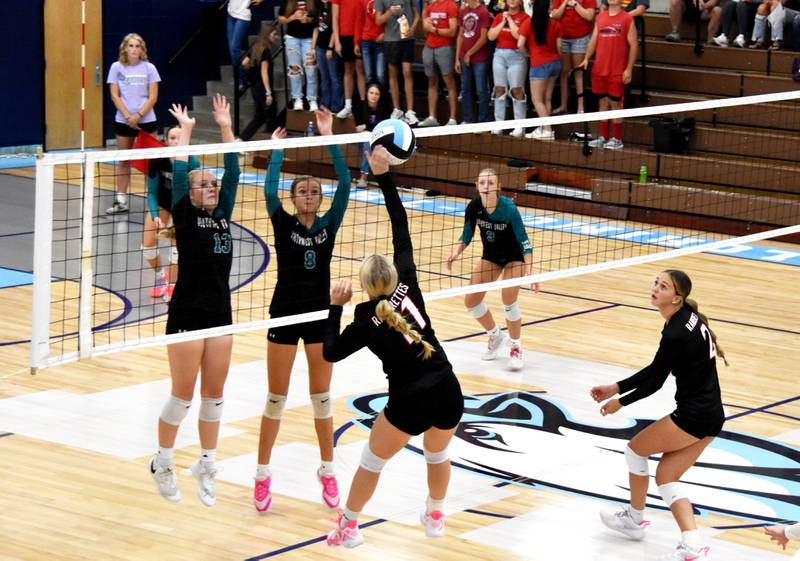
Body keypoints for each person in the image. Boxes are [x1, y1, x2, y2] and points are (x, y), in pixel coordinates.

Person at [323, 145, 464, 548]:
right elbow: (399, 223)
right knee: (437, 456)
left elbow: (330, 352)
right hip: (448, 389)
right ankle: (435, 515)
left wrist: (335, 307)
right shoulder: (409, 284)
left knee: (372, 462)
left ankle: (348, 528)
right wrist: (384, 173)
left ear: (366, 286)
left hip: (409, 401)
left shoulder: (364, 320)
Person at [591, 269, 728, 561]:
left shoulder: (676, 332)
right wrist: (616, 386)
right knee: (666, 478)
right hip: (712, 416)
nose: (655, 289)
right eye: (656, 283)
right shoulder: (688, 318)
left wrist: (620, 401)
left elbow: (655, 381)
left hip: (693, 415)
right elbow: (657, 369)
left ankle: (635, 518)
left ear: (677, 298)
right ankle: (692, 545)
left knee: (634, 451)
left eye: (663, 287)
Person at [254, 108, 351, 514]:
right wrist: (276, 154)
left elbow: (345, 182)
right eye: (302, 192)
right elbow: (268, 190)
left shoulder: (329, 224)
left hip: (319, 314)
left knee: (321, 398)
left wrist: (329, 136)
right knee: (276, 398)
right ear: (294, 200)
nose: (309, 196)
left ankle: (328, 470)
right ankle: (261, 475)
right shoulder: (282, 222)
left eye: (314, 191)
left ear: (320, 199)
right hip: (284, 312)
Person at [147, 95, 241, 507]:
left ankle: (207, 461)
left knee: (215, 395)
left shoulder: (223, 213)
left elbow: (234, 169)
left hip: (221, 312)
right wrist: (185, 132)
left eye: (213, 184)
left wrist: (224, 127)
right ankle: (163, 461)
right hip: (186, 312)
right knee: (182, 395)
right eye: (205, 184)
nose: (212, 187)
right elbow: (183, 170)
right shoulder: (185, 215)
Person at [446, 168, 537, 371]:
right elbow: (466, 235)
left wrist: (530, 269)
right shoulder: (474, 207)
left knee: (508, 300)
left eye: (490, 183)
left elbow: (525, 241)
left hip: (515, 257)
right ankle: (496, 336)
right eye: (482, 183)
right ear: (476, 186)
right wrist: (456, 253)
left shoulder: (509, 208)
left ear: (498, 187)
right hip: (492, 256)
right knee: (471, 301)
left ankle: (515, 346)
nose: (486, 187)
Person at [144, 126, 202, 301]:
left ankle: (173, 285)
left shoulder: (192, 163)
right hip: (162, 203)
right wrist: (155, 216)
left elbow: (195, 193)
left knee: (177, 249)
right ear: (166, 141)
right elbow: (152, 193)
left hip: (182, 206)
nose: (176, 141)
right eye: (172, 138)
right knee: (147, 246)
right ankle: (161, 278)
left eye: (180, 138)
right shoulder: (157, 160)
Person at [106, 33, 161, 215]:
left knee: (149, 162)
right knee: (124, 161)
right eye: (131, 46)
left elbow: (153, 96)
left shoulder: (149, 68)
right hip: (123, 120)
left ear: (142, 49)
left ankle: (153, 202)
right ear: (125, 48)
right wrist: (128, 116)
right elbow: (115, 95)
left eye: (137, 46)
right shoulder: (116, 67)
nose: (134, 49)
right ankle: (121, 201)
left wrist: (138, 115)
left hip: (146, 120)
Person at [579, 0, 637, 150]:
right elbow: (593, 41)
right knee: (602, 103)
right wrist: (586, 58)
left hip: (617, 71)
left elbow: (634, 45)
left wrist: (629, 68)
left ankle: (617, 139)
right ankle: (603, 137)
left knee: (616, 104)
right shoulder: (600, 17)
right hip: (599, 70)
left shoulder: (627, 19)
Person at [518, 0, 563, 140]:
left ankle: (548, 130)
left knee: (537, 101)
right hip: (555, 63)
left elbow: (520, 44)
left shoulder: (528, 23)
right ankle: (543, 128)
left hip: (539, 64)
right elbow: (560, 48)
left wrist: (528, 54)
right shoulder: (555, 24)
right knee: (547, 99)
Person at [488, 0, 530, 137]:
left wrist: (510, 20)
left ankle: (519, 126)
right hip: (499, 54)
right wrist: (502, 21)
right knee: (499, 89)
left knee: (517, 89)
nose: (512, 1)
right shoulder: (500, 17)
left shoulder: (525, 17)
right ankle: (499, 124)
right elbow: (491, 36)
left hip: (517, 56)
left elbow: (518, 36)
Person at [376, 0, 421, 125]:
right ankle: (397, 110)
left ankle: (410, 111)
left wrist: (413, 28)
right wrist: (390, 12)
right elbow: (378, 20)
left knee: (407, 72)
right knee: (393, 74)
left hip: (407, 39)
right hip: (390, 41)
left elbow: (417, 14)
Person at [549, 0, 595, 116]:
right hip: (563, 36)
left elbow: (589, 16)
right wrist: (564, 4)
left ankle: (581, 107)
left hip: (580, 36)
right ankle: (563, 105)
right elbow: (554, 15)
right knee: (564, 71)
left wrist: (575, 4)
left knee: (578, 72)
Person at [418, 0, 459, 127]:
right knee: (431, 81)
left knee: (449, 81)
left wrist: (434, 30)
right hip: (429, 46)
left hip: (445, 47)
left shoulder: (451, 5)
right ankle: (432, 116)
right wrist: (427, 25)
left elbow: (453, 32)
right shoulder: (431, 6)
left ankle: (452, 118)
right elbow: (424, 27)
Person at [240, 24, 279, 141]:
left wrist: (252, 71)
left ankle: (241, 139)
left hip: (254, 88)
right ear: (267, 35)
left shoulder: (255, 47)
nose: (276, 37)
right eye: (274, 34)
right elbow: (264, 72)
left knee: (259, 117)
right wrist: (268, 93)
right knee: (270, 116)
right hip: (263, 89)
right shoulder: (265, 50)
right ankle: (274, 145)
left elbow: (244, 63)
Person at [455, 0, 492, 124]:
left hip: (479, 58)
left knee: (481, 90)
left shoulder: (483, 12)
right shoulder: (463, 12)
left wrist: (469, 53)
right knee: (465, 89)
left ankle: (483, 121)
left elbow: (483, 38)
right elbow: (460, 35)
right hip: (464, 57)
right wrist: (457, 58)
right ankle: (467, 120)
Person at [280, 0, 320, 111]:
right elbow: (281, 19)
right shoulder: (289, 2)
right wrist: (292, 17)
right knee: (294, 69)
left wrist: (307, 19)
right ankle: (297, 98)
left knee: (311, 69)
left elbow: (318, 20)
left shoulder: (312, 2)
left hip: (308, 39)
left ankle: (312, 99)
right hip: (292, 38)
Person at [333, 0, 367, 117]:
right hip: (345, 35)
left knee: (360, 70)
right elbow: (335, 18)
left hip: (361, 33)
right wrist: (337, 41)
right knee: (348, 70)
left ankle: (364, 105)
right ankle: (348, 106)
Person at [353, 83, 391, 187]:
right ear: (367, 94)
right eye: (371, 93)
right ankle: (363, 177)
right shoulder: (360, 107)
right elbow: (358, 128)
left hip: (378, 137)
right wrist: (368, 127)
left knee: (373, 144)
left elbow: (382, 127)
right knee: (367, 144)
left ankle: (371, 177)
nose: (373, 96)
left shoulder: (384, 108)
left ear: (380, 96)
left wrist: (366, 126)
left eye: (376, 94)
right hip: (363, 137)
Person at [314, 0, 345, 113]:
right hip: (320, 47)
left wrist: (330, 47)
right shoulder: (319, 9)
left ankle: (336, 106)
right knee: (324, 77)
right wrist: (313, 48)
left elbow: (335, 29)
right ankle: (325, 105)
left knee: (334, 77)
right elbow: (316, 29)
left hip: (330, 47)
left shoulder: (334, 8)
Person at [228, 0, 263, 94]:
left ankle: (242, 79)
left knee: (234, 47)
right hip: (230, 13)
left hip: (243, 15)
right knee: (232, 50)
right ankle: (243, 74)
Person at [355, 0, 387, 88]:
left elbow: (391, 19)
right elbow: (359, 21)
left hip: (380, 41)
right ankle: (370, 100)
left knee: (380, 75)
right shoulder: (362, 1)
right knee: (368, 75)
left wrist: (385, 34)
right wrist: (356, 43)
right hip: (366, 41)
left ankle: (382, 100)